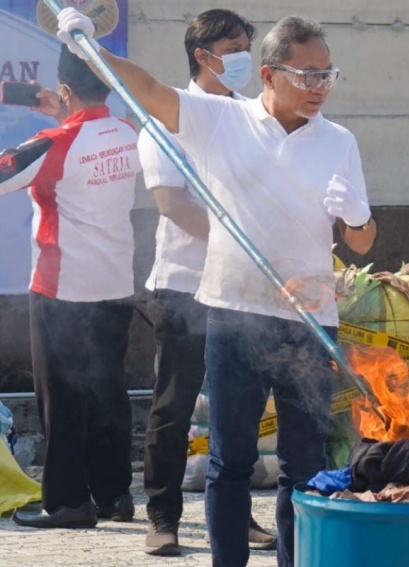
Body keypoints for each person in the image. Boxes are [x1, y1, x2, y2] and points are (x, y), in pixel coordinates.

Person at [55, 8, 376, 567]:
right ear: (270, 75)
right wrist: (90, 48)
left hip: (309, 320)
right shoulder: (221, 120)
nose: (318, 87)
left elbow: (364, 242)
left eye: (326, 74)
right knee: (231, 462)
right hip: (233, 314)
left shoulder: (340, 141)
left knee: (304, 466)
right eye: (305, 74)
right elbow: (150, 89)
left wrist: (356, 218)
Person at [138, 9, 275, 556]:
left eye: (247, 44)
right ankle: (163, 518)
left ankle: (235, 518)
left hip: (244, 290)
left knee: (237, 412)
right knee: (173, 409)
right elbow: (172, 202)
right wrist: (235, 242)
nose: (245, 54)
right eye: (236, 46)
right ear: (203, 55)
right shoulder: (168, 115)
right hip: (184, 285)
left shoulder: (254, 116)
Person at [2, 45, 139, 529]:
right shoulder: (126, 132)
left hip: (64, 292)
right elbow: (87, 134)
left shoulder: (53, 143)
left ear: (64, 90)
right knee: (107, 392)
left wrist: (55, 118)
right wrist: (64, 110)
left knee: (61, 399)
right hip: (116, 285)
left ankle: (66, 504)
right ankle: (115, 496)